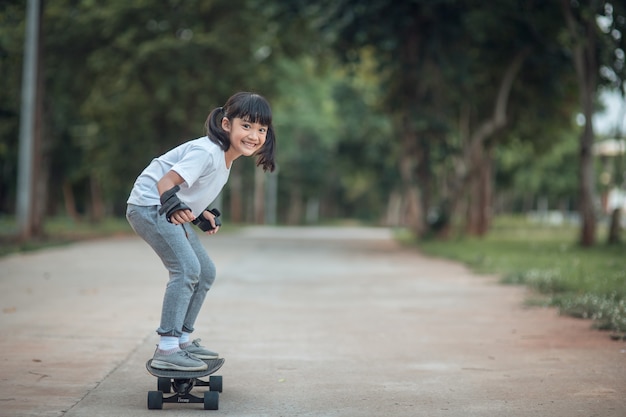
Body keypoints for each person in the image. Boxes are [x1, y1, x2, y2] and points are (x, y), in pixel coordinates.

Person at [126, 92, 276, 371]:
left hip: (163, 206)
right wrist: (173, 205)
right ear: (227, 124)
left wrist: (198, 214)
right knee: (186, 269)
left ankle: (182, 339)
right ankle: (168, 348)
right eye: (247, 126)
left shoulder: (224, 158)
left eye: (261, 129)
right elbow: (166, 182)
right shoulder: (207, 151)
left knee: (205, 271)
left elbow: (189, 190)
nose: (254, 135)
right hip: (149, 206)